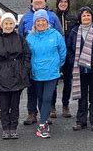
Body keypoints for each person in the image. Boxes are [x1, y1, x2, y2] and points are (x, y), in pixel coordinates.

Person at [18, 0, 62, 125]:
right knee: (32, 90)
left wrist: (58, 63)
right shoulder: (25, 18)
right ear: (32, 1)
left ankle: (47, 113)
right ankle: (32, 113)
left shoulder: (53, 16)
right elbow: (20, 39)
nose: (38, 0)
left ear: (45, 1)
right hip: (32, 63)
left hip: (50, 64)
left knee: (48, 91)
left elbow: (60, 38)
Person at [0, 12, 31, 139]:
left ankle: (13, 127)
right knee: (4, 105)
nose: (8, 26)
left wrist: (24, 70)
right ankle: (5, 128)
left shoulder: (20, 38)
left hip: (17, 74)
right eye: (6, 23)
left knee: (15, 104)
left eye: (10, 23)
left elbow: (26, 55)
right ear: (2, 25)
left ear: (14, 24)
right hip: (2, 75)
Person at [26, 9, 66, 138]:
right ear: (35, 23)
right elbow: (26, 55)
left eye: (43, 20)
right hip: (36, 73)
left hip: (51, 73)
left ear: (47, 22)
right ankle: (44, 117)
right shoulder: (30, 37)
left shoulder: (55, 35)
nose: (41, 23)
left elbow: (62, 52)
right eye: (38, 21)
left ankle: (42, 125)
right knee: (41, 98)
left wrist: (57, 65)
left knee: (48, 97)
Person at [51, 0, 76, 119]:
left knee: (68, 81)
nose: (63, 4)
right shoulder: (53, 17)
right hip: (55, 54)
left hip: (69, 54)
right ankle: (52, 106)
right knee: (54, 81)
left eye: (65, 2)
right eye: (61, 2)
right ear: (57, 3)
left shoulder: (73, 17)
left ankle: (65, 105)